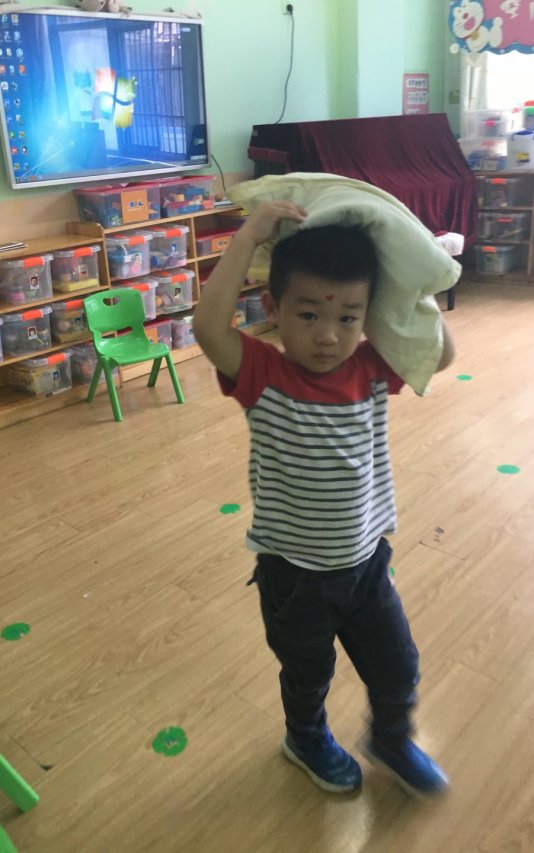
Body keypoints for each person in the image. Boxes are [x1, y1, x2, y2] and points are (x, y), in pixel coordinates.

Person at [192, 201, 454, 797]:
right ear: (273, 308)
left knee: (398, 666)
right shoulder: (262, 373)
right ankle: (305, 739)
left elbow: (440, 353)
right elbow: (208, 327)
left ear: (369, 316)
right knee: (308, 674)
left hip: (366, 564)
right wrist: (249, 235)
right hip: (295, 576)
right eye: (308, 314)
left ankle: (391, 738)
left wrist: (414, 278)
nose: (328, 335)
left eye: (348, 316)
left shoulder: (372, 368)